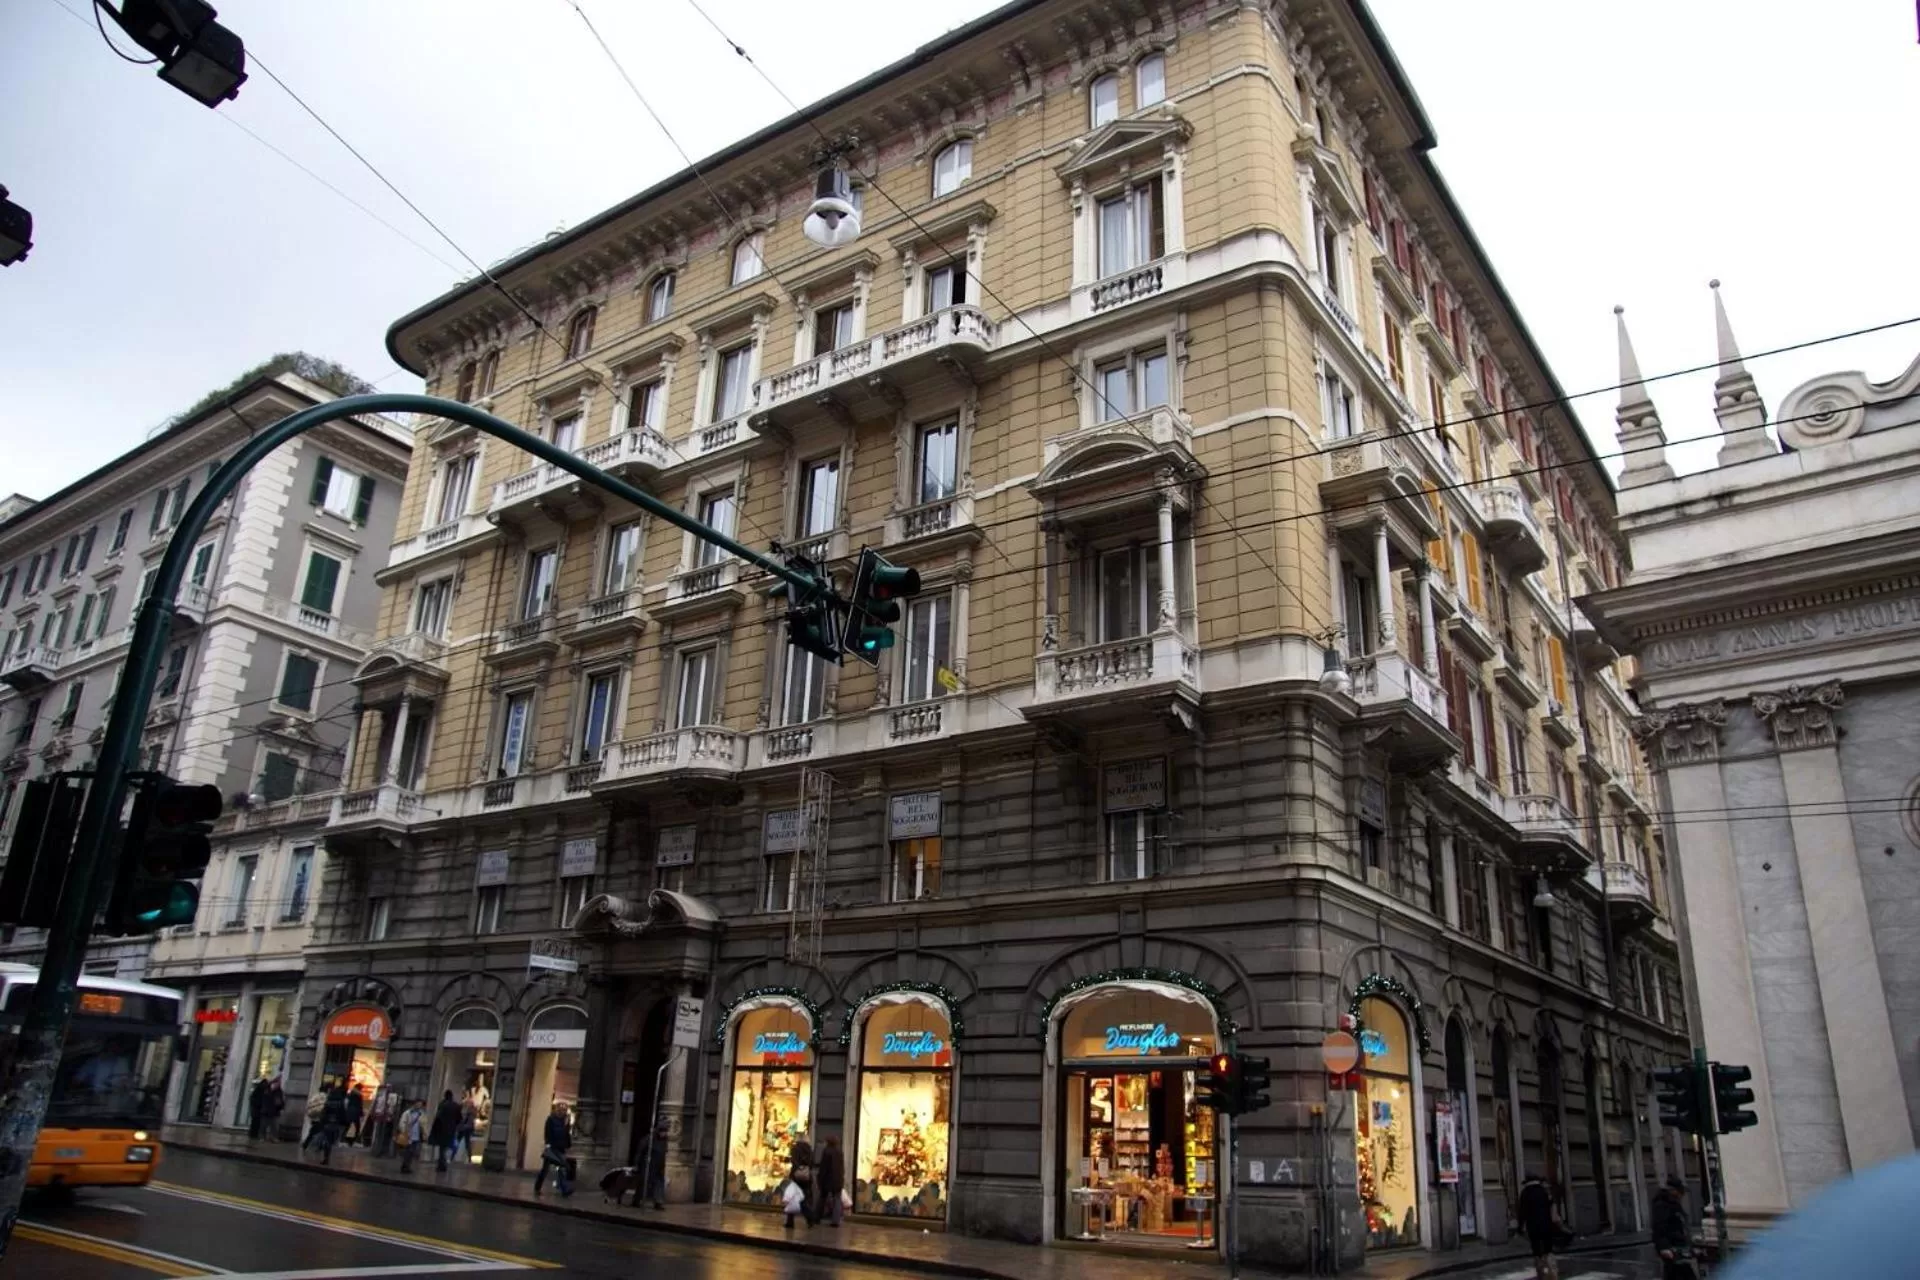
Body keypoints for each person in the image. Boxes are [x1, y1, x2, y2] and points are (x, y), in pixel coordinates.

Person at [1517, 1170, 1561, 1280]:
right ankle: (1552, 1272)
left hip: (1533, 1227)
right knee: (1548, 1249)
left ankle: (1541, 1273)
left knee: (1536, 1250)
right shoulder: (1544, 1191)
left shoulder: (1525, 1193)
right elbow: (1552, 1206)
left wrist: (1520, 1227)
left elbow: (1522, 1212)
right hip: (1546, 1225)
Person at [1652, 1176, 1695, 1279]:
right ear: (1673, 1191)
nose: (1682, 1195)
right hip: (1672, 1248)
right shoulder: (1662, 1205)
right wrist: (1664, 1247)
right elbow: (1659, 1227)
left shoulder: (1674, 1203)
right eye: (1680, 1191)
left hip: (1678, 1248)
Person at [533, 1102, 574, 1197]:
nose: (562, 1111)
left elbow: (566, 1134)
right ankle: (537, 1187)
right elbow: (547, 1133)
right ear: (556, 1110)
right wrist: (548, 1144)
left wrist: (567, 1144)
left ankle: (564, 1189)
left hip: (561, 1148)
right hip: (552, 1148)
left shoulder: (565, 1121)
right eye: (561, 1109)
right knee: (545, 1169)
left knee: (561, 1168)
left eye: (564, 1110)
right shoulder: (551, 1119)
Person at [784, 1136, 816, 1229]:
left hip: (796, 1176)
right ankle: (808, 1219)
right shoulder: (810, 1150)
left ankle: (793, 1221)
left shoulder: (795, 1148)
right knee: (803, 1198)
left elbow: (794, 1161)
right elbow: (812, 1163)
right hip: (806, 1177)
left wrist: (798, 1167)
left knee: (793, 1198)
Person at [814, 1133, 845, 1228]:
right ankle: (835, 1221)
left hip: (827, 1179)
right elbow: (842, 1167)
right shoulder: (840, 1152)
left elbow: (823, 1167)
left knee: (822, 1198)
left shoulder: (827, 1151)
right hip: (838, 1179)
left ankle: (816, 1217)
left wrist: (819, 1178)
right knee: (837, 1199)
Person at [429, 1090, 462, 1172]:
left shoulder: (442, 1105)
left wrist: (435, 1129)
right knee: (448, 1147)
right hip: (451, 1130)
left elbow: (438, 1117)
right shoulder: (456, 1106)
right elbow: (459, 1118)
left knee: (442, 1148)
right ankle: (443, 1163)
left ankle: (442, 1165)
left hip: (442, 1129)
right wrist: (455, 1125)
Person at [641, 1116, 670, 1209]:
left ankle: (658, 1202)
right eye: (663, 1131)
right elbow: (642, 1150)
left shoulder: (664, 1140)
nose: (664, 1133)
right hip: (650, 1164)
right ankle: (638, 1199)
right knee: (645, 1182)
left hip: (659, 1164)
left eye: (666, 1131)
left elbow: (664, 1151)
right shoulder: (650, 1138)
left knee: (659, 1183)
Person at [316, 1083, 348, 1164]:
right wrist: (343, 1123)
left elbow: (324, 1114)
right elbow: (342, 1114)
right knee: (330, 1140)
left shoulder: (328, 1102)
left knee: (326, 1139)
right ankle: (326, 1157)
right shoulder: (341, 1103)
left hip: (327, 1123)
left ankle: (324, 1152)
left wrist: (322, 1122)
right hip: (335, 1124)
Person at [396, 1098, 425, 1173]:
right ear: (414, 1104)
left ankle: (407, 1166)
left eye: (420, 1105)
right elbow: (402, 1123)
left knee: (412, 1152)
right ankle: (405, 1166)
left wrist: (424, 1133)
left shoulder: (421, 1114)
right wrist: (404, 1132)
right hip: (408, 1135)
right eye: (418, 1104)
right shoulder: (407, 1113)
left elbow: (423, 1124)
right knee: (408, 1152)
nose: (419, 1106)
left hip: (416, 1135)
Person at [247, 1076, 271, 1140]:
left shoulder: (263, 1090)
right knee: (255, 1123)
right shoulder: (259, 1090)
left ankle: (254, 1134)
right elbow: (253, 1099)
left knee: (258, 1123)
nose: (265, 1085)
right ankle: (253, 1134)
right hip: (256, 1110)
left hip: (259, 1110)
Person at [263, 1076, 286, 1141]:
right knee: (265, 1125)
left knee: (275, 1125)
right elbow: (265, 1099)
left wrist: (281, 1106)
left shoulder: (279, 1091)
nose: (278, 1084)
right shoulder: (268, 1090)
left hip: (275, 1111)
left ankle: (273, 1137)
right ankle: (263, 1137)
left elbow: (281, 1101)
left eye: (279, 1083)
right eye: (277, 1083)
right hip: (267, 1111)